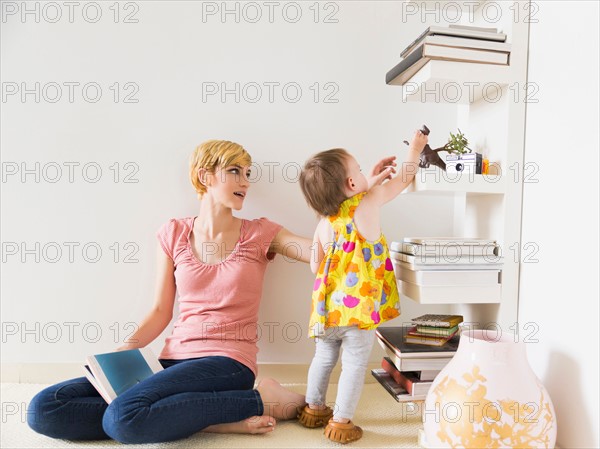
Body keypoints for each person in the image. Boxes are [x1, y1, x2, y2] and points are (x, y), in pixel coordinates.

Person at [27, 139, 313, 444]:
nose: (246, 182)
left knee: (124, 419)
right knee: (46, 408)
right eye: (235, 171)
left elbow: (319, 253)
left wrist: (349, 211)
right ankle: (208, 420)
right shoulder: (173, 233)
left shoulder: (261, 233)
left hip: (228, 362)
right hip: (172, 360)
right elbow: (161, 310)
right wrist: (127, 348)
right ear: (206, 176)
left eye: (247, 173)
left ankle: (263, 400)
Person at [296, 130, 428, 444]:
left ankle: (314, 409)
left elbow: (316, 266)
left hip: (327, 310)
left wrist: (368, 178)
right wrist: (417, 150)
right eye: (357, 170)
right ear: (353, 186)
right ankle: (341, 421)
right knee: (354, 363)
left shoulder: (324, 222)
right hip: (358, 311)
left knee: (324, 358)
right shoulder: (368, 203)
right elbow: (404, 179)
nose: (362, 175)